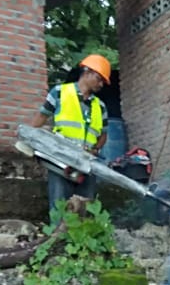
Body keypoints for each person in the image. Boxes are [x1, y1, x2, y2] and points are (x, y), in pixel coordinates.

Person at [31, 54, 111, 211]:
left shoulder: (100, 106)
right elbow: (40, 118)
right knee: (59, 207)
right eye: (99, 78)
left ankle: (82, 235)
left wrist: (95, 149)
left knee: (86, 209)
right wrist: (32, 141)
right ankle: (58, 235)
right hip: (61, 161)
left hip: (87, 164)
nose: (101, 84)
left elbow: (103, 135)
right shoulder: (60, 92)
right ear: (87, 72)